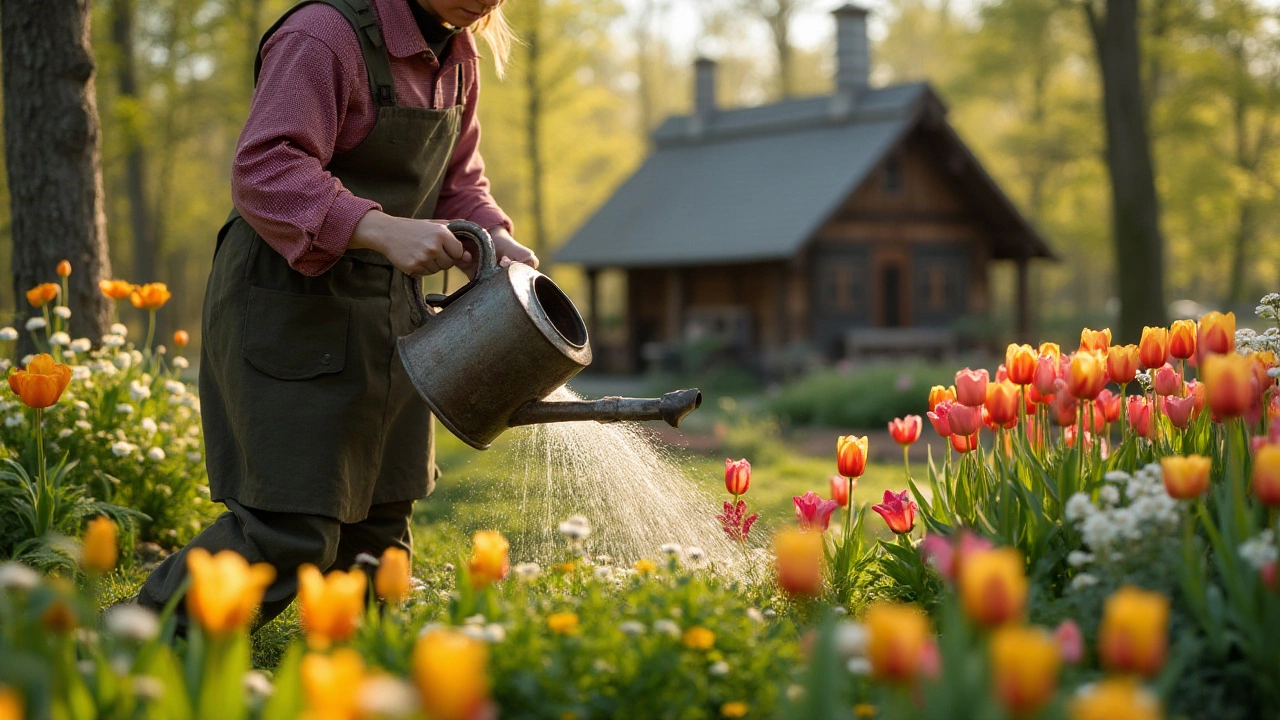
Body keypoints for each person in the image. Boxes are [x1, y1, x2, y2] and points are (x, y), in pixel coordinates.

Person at [134, 0, 534, 630]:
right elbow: (265, 168)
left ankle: (364, 674)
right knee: (290, 523)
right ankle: (136, 645)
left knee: (379, 521)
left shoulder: (458, 56)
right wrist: (378, 229)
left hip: (386, 312)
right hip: (289, 306)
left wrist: (493, 234)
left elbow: (459, 179)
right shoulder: (323, 36)